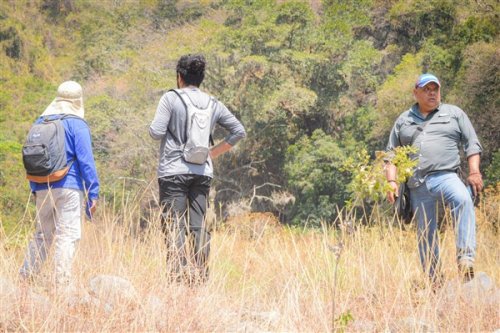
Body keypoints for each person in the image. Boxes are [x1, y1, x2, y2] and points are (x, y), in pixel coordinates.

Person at [149, 54, 246, 283]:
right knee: (199, 227)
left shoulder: (170, 99)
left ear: (179, 77)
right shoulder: (213, 103)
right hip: (202, 172)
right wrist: (212, 153)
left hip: (172, 171)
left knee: (174, 226)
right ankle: (199, 280)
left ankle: (178, 279)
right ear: (201, 78)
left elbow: (155, 132)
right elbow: (239, 131)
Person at [385, 73, 483, 284]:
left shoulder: (454, 114)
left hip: (446, 175)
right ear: (416, 93)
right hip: (417, 184)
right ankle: (434, 280)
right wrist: (391, 182)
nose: (432, 93)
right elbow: (391, 154)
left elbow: (472, 144)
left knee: (463, 199)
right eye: (427, 89)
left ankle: (465, 258)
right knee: (425, 231)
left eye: (435, 89)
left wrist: (474, 172)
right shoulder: (404, 120)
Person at [20, 81, 100, 290]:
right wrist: (93, 192)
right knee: (68, 235)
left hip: (40, 186)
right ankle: (61, 284)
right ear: (78, 100)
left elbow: (31, 155)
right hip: (68, 185)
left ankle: (26, 277)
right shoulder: (77, 123)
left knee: (42, 235)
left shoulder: (40, 121)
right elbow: (86, 160)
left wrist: (34, 188)